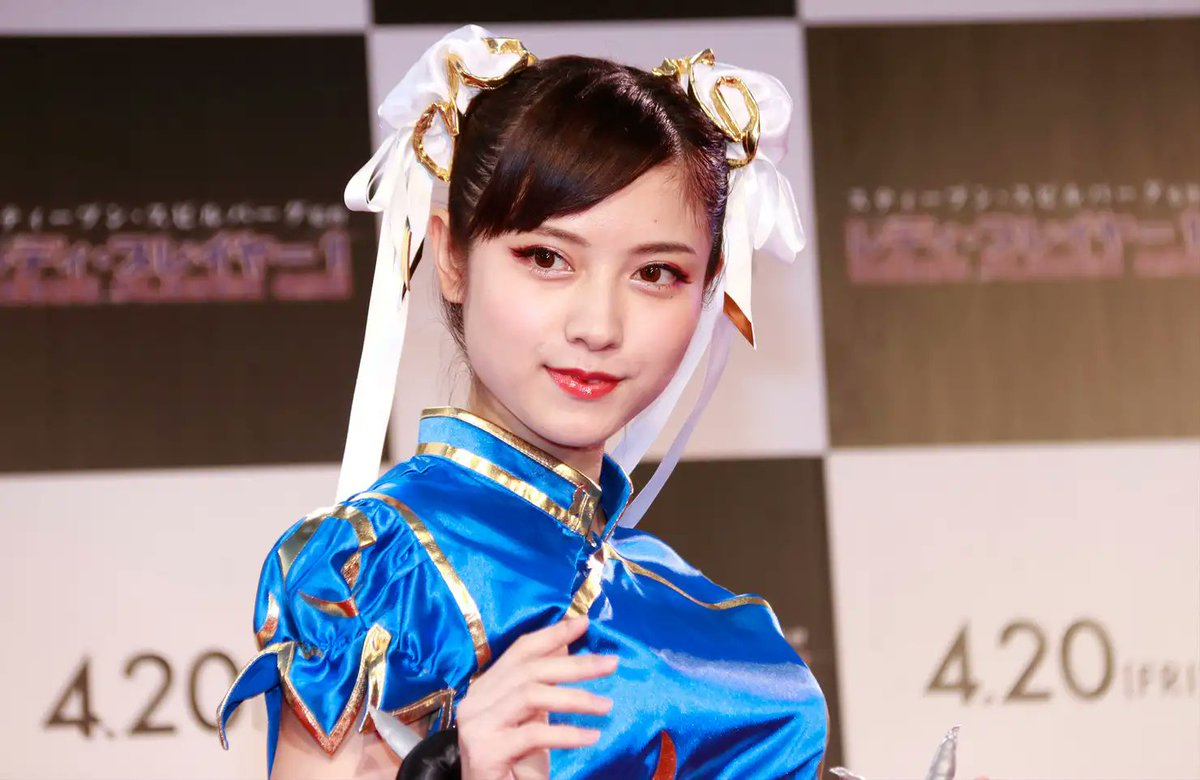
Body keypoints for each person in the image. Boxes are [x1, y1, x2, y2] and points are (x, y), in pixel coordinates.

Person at [216, 25, 824, 779]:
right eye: (546, 257)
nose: (598, 326)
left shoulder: (683, 598)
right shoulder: (380, 569)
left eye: (656, 274)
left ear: (708, 288)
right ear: (451, 256)